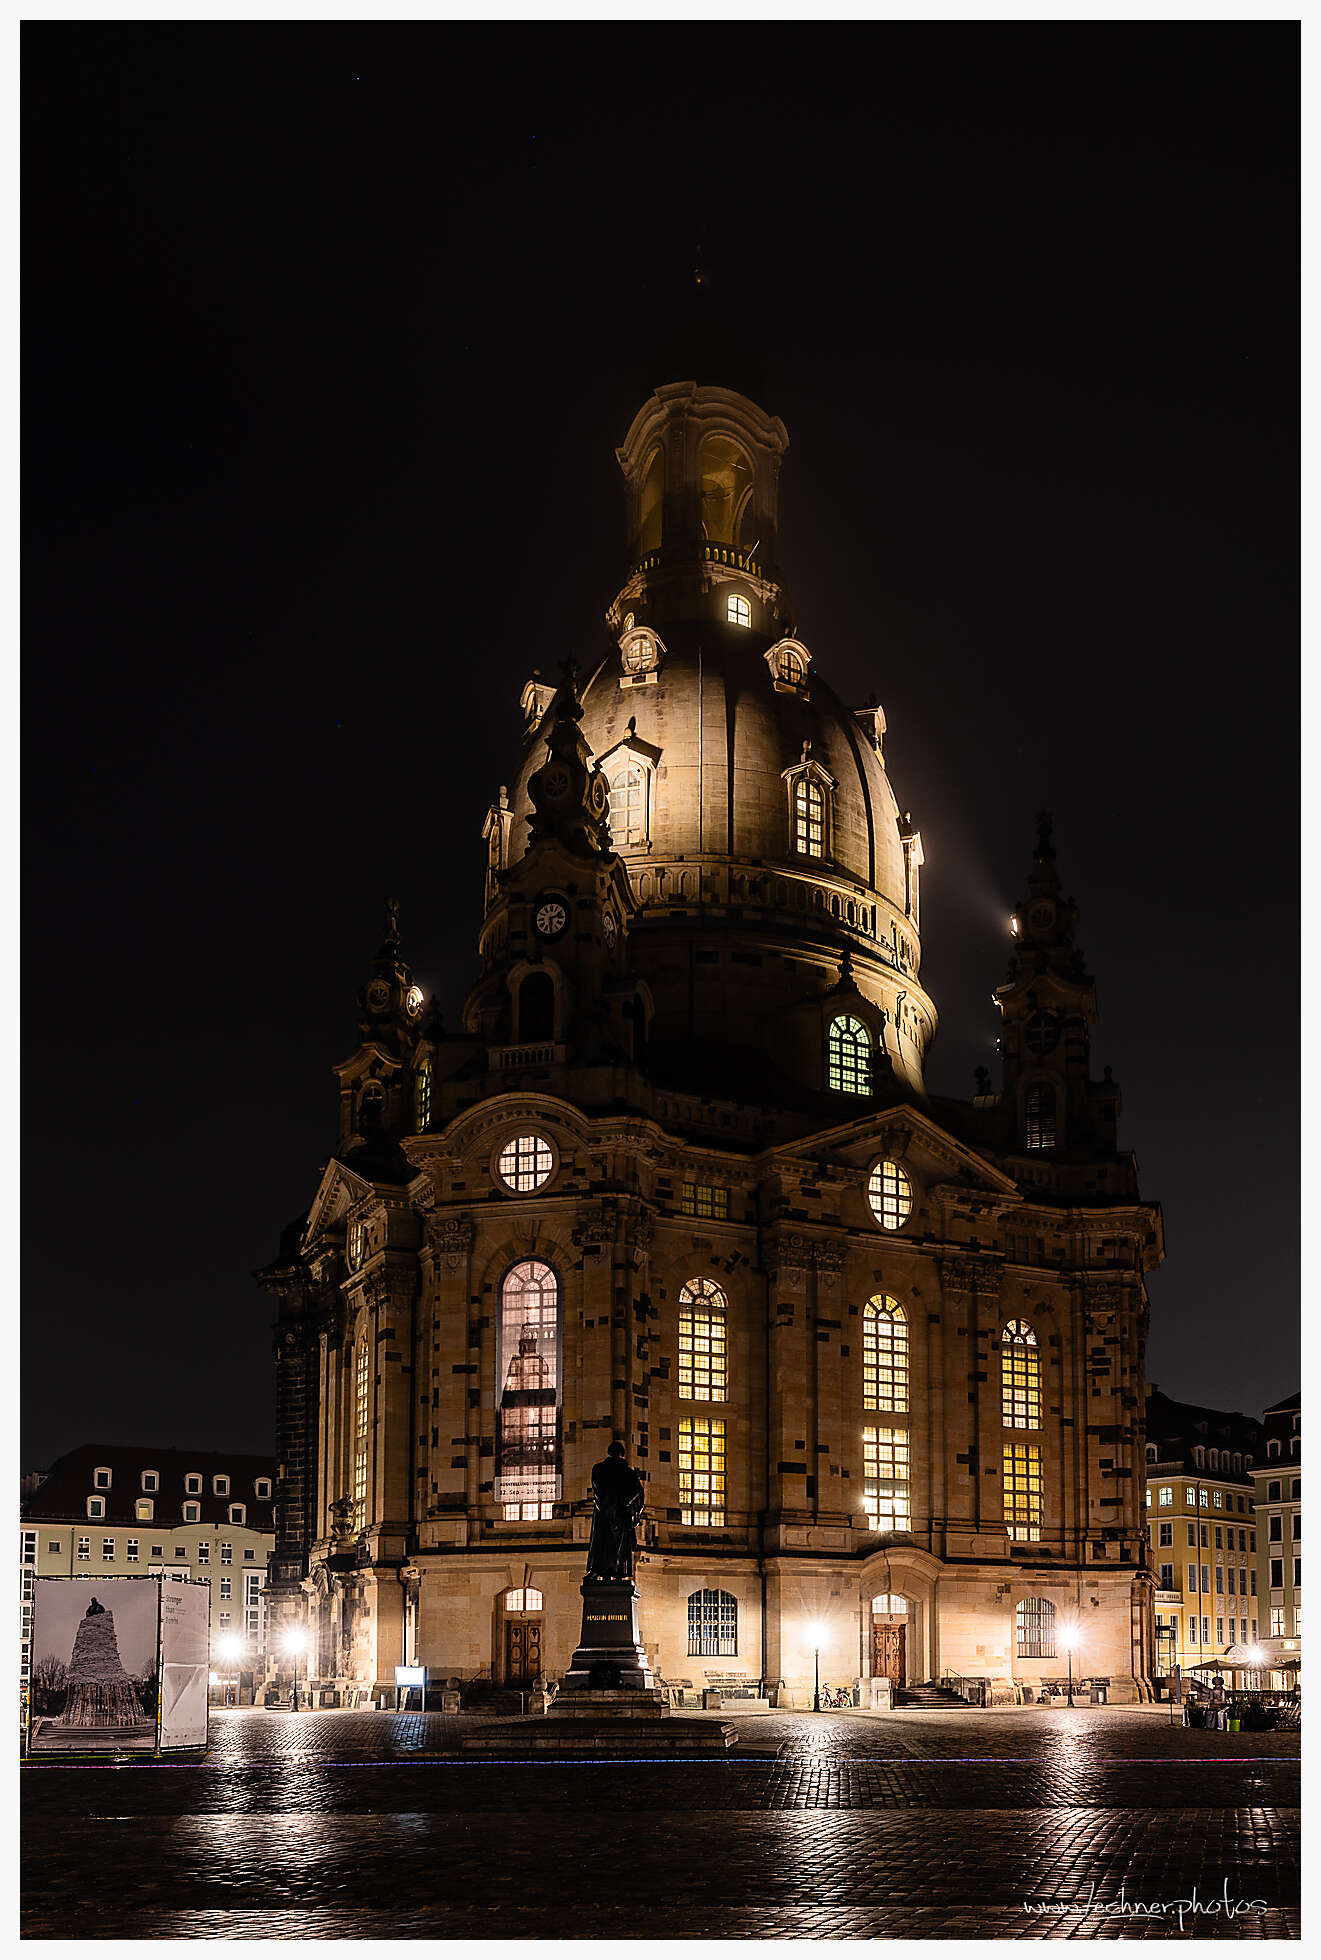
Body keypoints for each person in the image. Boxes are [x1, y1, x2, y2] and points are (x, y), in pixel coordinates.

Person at [584, 1441, 645, 1582]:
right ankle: (617, 1572)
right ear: (622, 1454)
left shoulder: (599, 1469)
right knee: (618, 1548)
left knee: (603, 1544)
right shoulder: (628, 1472)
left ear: (609, 1452)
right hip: (621, 1514)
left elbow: (597, 1491)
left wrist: (606, 1507)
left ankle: (600, 1570)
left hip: (605, 1512)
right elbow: (638, 1492)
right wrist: (627, 1505)